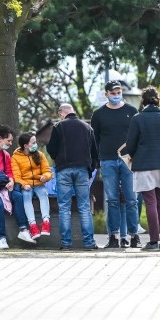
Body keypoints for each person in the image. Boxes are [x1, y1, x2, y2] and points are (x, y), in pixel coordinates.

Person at [91, 80, 140, 249]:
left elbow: (137, 136)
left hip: (128, 160)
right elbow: (95, 139)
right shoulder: (98, 114)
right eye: (112, 93)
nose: (116, 95)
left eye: (118, 92)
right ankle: (114, 236)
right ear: (106, 94)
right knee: (112, 200)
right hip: (107, 160)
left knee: (131, 199)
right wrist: (97, 160)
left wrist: (135, 156)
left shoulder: (132, 111)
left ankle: (134, 236)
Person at [126, 86, 160, 250]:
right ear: (158, 100)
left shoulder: (137, 118)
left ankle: (153, 241)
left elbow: (131, 144)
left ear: (143, 101)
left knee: (150, 202)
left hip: (144, 165)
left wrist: (132, 155)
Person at [47, 104, 99, 250]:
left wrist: (59, 159)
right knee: (84, 207)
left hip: (64, 170)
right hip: (82, 170)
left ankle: (66, 243)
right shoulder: (87, 128)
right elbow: (95, 152)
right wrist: (90, 169)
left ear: (62, 113)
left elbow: (51, 149)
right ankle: (89, 243)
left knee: (64, 207)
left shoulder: (59, 127)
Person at [0, 124, 34, 248]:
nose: (10, 143)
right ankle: (2, 238)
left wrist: (11, 181)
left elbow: (9, 172)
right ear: (0, 138)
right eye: (8, 140)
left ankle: (23, 230)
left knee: (18, 196)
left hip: (3, 186)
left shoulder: (6, 155)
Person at [11, 132, 53, 239]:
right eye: (33, 142)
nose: (36, 144)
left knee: (44, 194)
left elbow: (48, 171)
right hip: (26, 185)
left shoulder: (40, 155)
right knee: (26, 197)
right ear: (25, 146)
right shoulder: (15, 158)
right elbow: (16, 176)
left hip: (39, 184)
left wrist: (45, 176)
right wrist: (24, 185)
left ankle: (46, 222)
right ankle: (33, 226)